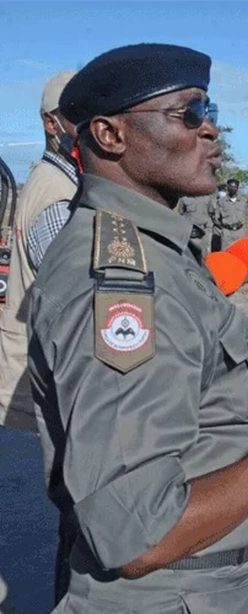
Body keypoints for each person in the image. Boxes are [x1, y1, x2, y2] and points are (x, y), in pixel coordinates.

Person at [30, 43, 248, 612]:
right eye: (188, 114)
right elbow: (139, 533)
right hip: (169, 594)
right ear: (111, 135)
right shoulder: (122, 283)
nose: (212, 131)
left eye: (210, 112)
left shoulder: (156, 249)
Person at [0, 71, 78, 430]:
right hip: (33, 393)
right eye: (78, 113)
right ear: (52, 123)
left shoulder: (57, 180)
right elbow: (77, 301)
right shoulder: (57, 193)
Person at [177, 190, 216, 259]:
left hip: (204, 230)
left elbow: (211, 212)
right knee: (188, 252)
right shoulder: (184, 198)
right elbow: (180, 212)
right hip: (189, 230)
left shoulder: (207, 198)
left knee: (204, 254)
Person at [215, 178, 248, 249]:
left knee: (240, 253)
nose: (232, 188)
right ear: (227, 187)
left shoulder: (243, 201)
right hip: (227, 232)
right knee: (226, 255)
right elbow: (216, 218)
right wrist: (223, 228)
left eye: (234, 187)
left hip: (239, 232)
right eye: (231, 186)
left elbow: (245, 214)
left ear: (237, 188)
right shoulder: (221, 202)